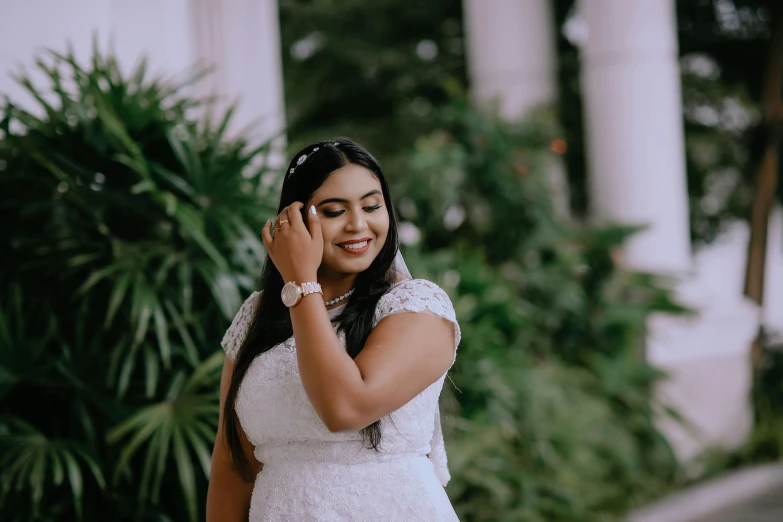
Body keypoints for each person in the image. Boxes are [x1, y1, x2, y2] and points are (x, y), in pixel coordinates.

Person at [206, 138, 461, 521]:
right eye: (334, 211)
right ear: (292, 220)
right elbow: (233, 465)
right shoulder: (259, 314)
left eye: (372, 206)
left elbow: (344, 407)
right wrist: (299, 288)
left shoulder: (417, 307)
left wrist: (301, 282)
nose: (358, 224)